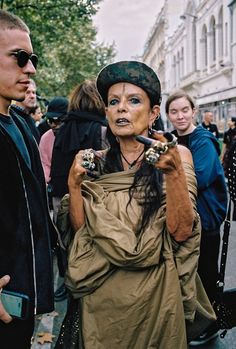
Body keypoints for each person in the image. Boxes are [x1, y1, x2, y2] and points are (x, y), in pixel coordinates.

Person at [55, 61, 216, 349]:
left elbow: (181, 232)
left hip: (157, 299)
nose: (121, 108)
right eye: (113, 102)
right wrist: (74, 185)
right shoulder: (97, 162)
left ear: (154, 112)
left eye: (133, 101)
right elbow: (82, 236)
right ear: (105, 112)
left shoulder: (176, 155)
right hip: (102, 303)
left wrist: (174, 173)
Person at [0, 10, 58, 349]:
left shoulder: (21, 124)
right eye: (19, 58)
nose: (31, 69)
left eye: (31, 58)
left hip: (23, 299)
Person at [166, 90, 227, 346]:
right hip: (188, 219)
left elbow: (199, 178)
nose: (180, 116)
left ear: (194, 111)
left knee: (206, 272)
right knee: (191, 274)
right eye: (174, 111)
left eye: (184, 110)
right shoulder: (173, 140)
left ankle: (211, 323)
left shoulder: (204, 140)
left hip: (207, 219)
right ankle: (197, 318)